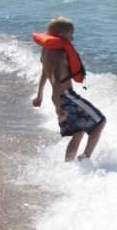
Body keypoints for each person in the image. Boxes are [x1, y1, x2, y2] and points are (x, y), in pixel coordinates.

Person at [32, 17, 106, 162]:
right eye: (70, 35)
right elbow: (57, 81)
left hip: (59, 97)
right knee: (101, 121)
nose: (72, 38)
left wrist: (39, 95)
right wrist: (59, 109)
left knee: (78, 132)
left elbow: (45, 73)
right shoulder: (60, 54)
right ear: (61, 35)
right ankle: (85, 158)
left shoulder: (46, 50)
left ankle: (69, 165)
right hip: (66, 96)